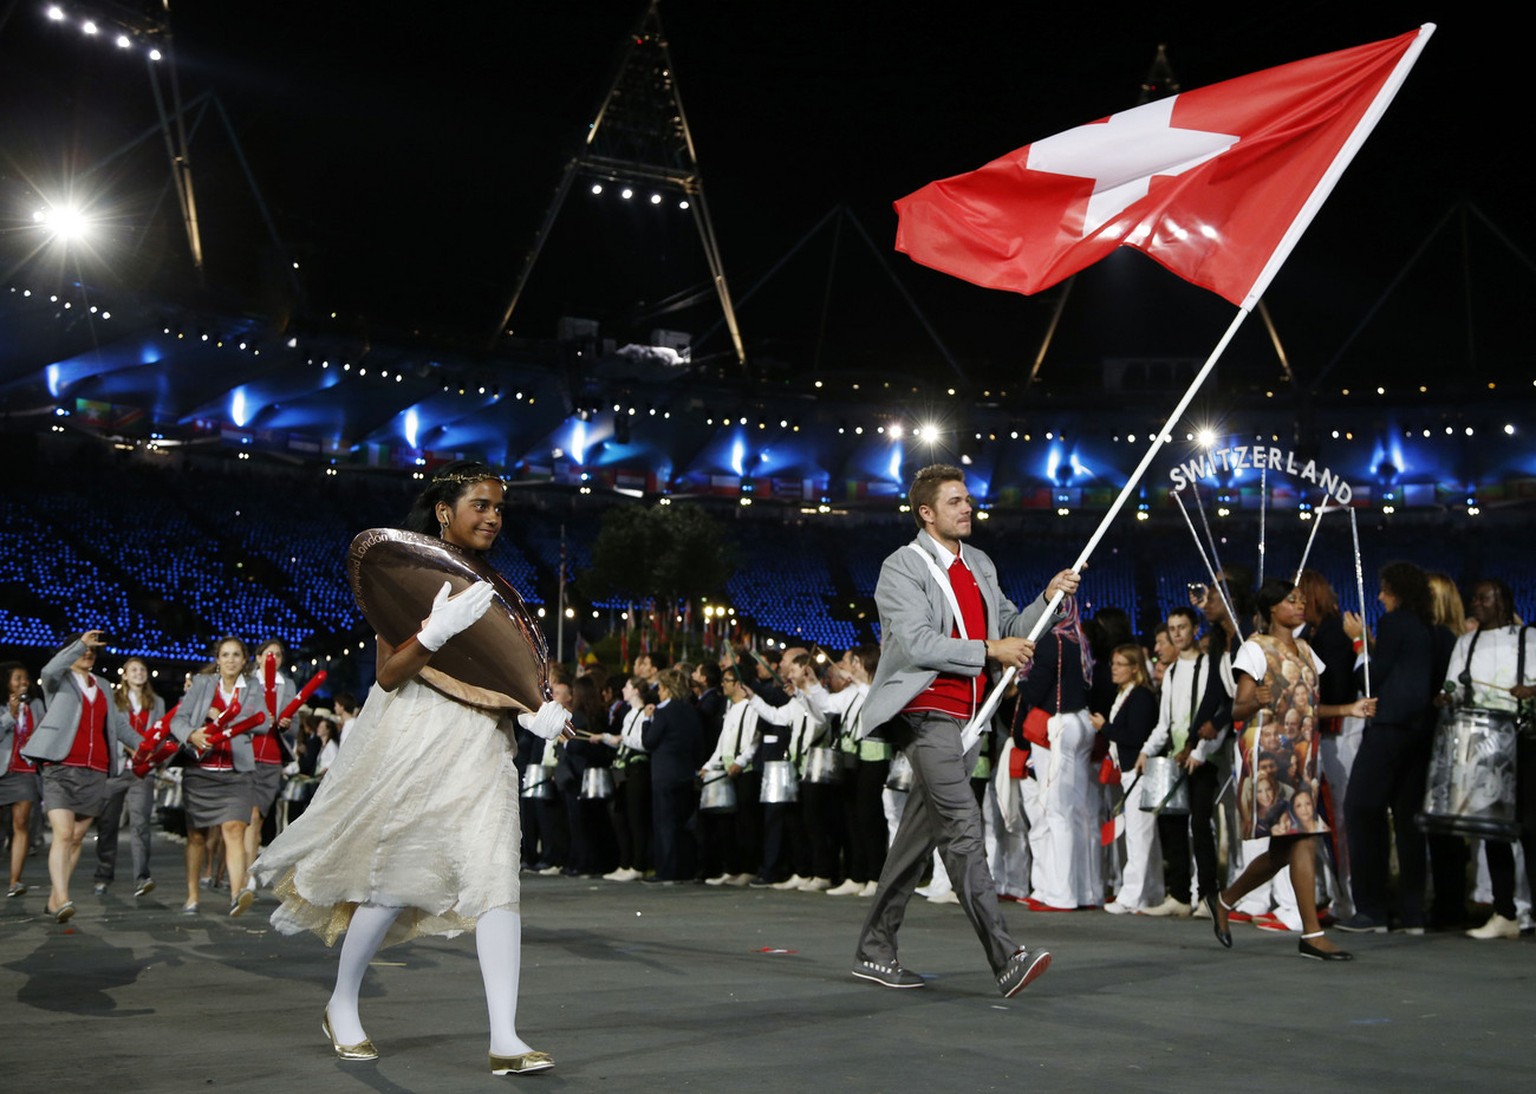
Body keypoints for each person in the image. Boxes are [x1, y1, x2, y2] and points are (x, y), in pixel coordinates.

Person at [252, 461, 572, 1075]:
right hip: (420, 740)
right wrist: (436, 630)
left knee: (496, 879)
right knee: (396, 882)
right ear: (446, 511)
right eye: (481, 505)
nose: (494, 518)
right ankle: (342, 1001)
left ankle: (505, 1036)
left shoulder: (497, 586)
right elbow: (389, 674)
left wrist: (536, 712)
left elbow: (504, 677)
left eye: (500, 508)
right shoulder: (406, 573)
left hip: (483, 748)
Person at [851, 463, 1077, 997]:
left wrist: (1046, 601)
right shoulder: (900, 568)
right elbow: (917, 643)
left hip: (969, 719)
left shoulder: (979, 562)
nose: (967, 508)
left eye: (967, 500)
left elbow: (1009, 630)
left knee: (915, 841)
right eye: (955, 501)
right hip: (927, 713)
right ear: (927, 513)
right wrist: (989, 651)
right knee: (962, 829)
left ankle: (874, 951)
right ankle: (1005, 957)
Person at [1211, 579, 1376, 959]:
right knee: (1302, 838)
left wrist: (1349, 710)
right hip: (1270, 754)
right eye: (1292, 600)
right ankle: (1311, 935)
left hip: (1304, 755)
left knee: (1286, 848)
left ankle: (1225, 901)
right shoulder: (1254, 649)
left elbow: (1308, 709)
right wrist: (1257, 702)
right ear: (1272, 609)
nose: (1300, 605)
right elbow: (1237, 710)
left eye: (1301, 600)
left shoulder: (1305, 650)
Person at [1337, 562, 1437, 934]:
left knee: (1361, 809)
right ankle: (1413, 913)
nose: (1379, 597)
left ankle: (1372, 910)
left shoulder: (1394, 623)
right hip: (1417, 730)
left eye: (1383, 590)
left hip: (1389, 727)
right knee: (1409, 819)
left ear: (1395, 591)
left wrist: (1360, 641)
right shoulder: (1425, 627)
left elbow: (1370, 678)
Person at [1451, 579, 1536, 940]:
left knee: (1531, 829)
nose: (1476, 602)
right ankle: (1505, 912)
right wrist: (1448, 697)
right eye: (1475, 597)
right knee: (1494, 829)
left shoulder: (1529, 639)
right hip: (1483, 743)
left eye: (1483, 597)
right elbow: (1453, 685)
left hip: (1527, 740)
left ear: (1502, 601)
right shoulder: (1465, 643)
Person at [20, 631, 124, 923]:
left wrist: (145, 744)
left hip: (96, 769)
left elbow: (117, 724)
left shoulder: (103, 685)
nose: (88, 653)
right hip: (61, 766)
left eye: (92, 650)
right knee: (63, 835)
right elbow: (48, 669)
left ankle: (55, 899)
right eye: (83, 649)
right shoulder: (58, 679)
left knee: (77, 838)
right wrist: (80, 642)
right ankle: (64, 897)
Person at [1014, 596, 1100, 911]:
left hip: (1058, 725)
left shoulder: (1051, 642)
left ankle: (1061, 893)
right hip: (1081, 721)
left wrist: (1020, 678)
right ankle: (1088, 891)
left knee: (1057, 810)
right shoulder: (1080, 640)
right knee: (1078, 810)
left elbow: (1035, 690)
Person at [171, 637, 266, 917]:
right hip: (201, 772)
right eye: (225, 654)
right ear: (217, 658)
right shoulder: (201, 684)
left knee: (234, 830)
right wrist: (192, 734)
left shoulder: (252, 687)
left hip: (237, 772)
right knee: (197, 837)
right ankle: (192, 894)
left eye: (236, 654)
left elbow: (264, 723)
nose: (231, 660)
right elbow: (178, 720)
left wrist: (225, 717)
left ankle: (237, 894)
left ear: (244, 659)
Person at [1094, 644, 1163, 914]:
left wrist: (1105, 728)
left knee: (1138, 835)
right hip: (1128, 771)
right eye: (1113, 663)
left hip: (1139, 772)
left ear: (1135, 668)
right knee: (1143, 835)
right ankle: (1151, 894)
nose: (1114, 668)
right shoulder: (1125, 694)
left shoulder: (1141, 697)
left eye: (1120, 664)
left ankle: (1131, 896)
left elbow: (1135, 736)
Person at [97, 657, 164, 898]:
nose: (138, 673)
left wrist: (153, 756)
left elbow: (161, 733)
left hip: (143, 771)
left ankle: (142, 876)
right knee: (108, 824)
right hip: (117, 769)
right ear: (124, 675)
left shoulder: (157, 702)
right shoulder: (112, 701)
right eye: (133, 670)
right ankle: (104, 875)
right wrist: (132, 748)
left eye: (142, 669)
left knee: (140, 825)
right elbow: (110, 732)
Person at [642, 668, 707, 883]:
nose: (658, 692)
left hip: (664, 775)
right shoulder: (691, 711)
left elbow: (649, 742)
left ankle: (666, 870)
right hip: (685, 773)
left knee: (665, 824)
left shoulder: (662, 713)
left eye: (660, 688)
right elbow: (699, 744)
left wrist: (647, 720)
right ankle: (686, 869)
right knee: (683, 823)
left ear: (667, 689)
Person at [244, 640, 297, 894]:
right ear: (258, 657)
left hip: (274, 757)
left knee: (258, 817)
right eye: (268, 654)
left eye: (277, 655)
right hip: (246, 755)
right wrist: (260, 720)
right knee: (250, 816)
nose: (272, 658)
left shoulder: (288, 685)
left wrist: (286, 724)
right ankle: (246, 873)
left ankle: (244, 867)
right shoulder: (248, 683)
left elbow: (295, 726)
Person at [1, 661, 45, 898]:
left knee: (21, 824)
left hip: (25, 772)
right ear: (6, 681)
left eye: (25, 678)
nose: (23, 682)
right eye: (18, 678)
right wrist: (10, 715)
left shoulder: (36, 705)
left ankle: (15, 881)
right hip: (1, 771)